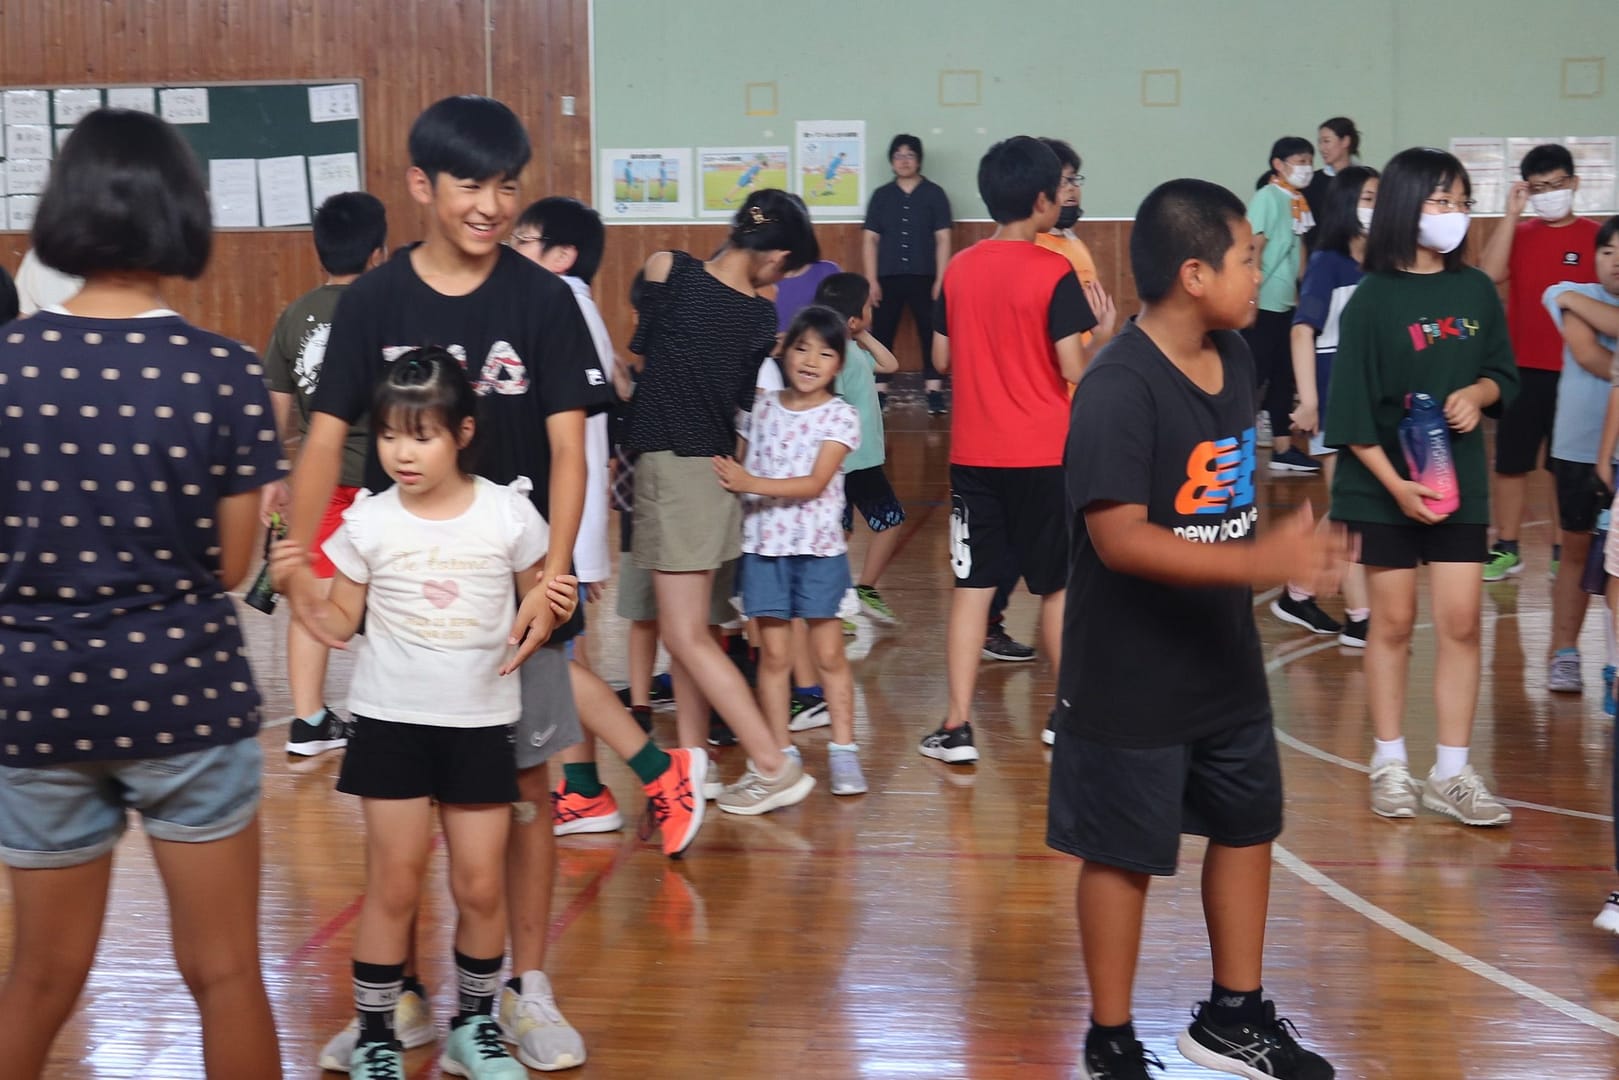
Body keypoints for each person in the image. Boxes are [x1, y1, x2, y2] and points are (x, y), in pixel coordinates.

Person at [279, 95, 649, 1074]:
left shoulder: (543, 301)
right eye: (469, 185)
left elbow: (569, 451)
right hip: (408, 600)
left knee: (524, 790)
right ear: (422, 185)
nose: (490, 205)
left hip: (518, 587)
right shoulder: (372, 303)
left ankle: (523, 990)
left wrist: (554, 578)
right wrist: (293, 557)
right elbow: (322, 437)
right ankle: (399, 997)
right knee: (399, 820)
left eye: (506, 186)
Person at [0, 107, 283, 1079]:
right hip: (184, 694)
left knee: (39, 979)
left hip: (37, 699)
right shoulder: (223, 373)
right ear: (182, 213)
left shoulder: (9, 366)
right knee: (225, 974)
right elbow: (233, 566)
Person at [1054, 175, 1342, 1080]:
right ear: (1192, 274)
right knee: (1122, 856)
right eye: (1248, 258)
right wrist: (1261, 563)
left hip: (1221, 659)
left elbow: (1224, 497)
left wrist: (1269, 548)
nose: (1260, 273)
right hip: (1128, 671)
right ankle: (1109, 1041)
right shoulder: (1117, 385)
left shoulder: (1238, 356)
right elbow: (1120, 539)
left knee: (1247, 825)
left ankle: (1233, 1017)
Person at [273, 349, 589, 1079]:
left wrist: (555, 600)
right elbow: (339, 622)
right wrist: (300, 590)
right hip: (390, 726)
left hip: (480, 725)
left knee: (479, 886)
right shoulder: (367, 521)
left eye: (421, 436)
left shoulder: (509, 513)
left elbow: (539, 599)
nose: (403, 453)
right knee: (394, 884)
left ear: (462, 433)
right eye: (389, 435)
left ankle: (472, 1030)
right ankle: (377, 1038)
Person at [1325, 147, 1519, 826]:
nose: (1454, 214)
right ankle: (1389, 762)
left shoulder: (1474, 291)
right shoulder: (1370, 300)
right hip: (1381, 487)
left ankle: (1451, 773)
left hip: (1456, 484)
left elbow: (1503, 373)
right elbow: (1349, 416)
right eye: (1441, 201)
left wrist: (1478, 392)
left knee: (1462, 622)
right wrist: (1397, 487)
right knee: (1394, 622)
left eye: (1463, 202)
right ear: (1406, 207)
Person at [510, 197, 710, 842]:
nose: (511, 249)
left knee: (546, 659)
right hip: (550, 523)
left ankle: (650, 772)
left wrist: (575, 548)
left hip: (550, 524)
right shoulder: (564, 304)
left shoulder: (560, 305)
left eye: (525, 240)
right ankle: (586, 788)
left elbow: (575, 445)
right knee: (551, 655)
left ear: (562, 255)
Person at [627, 188, 820, 814]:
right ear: (778, 256)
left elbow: (641, 354)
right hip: (715, 475)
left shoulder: (668, 269)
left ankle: (772, 763)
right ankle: (695, 762)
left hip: (673, 469)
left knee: (684, 634)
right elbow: (738, 399)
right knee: (697, 633)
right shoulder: (761, 316)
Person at [921, 136, 1096, 764]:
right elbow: (1072, 367)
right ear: (1045, 200)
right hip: (1047, 456)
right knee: (1056, 587)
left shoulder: (960, 269)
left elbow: (940, 357)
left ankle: (957, 726)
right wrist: (1098, 335)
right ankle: (1065, 716)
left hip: (975, 456)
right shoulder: (1054, 271)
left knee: (973, 588)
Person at [716, 305, 867, 794]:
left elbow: (815, 483)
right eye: (801, 348)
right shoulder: (758, 409)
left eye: (824, 353)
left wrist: (749, 482)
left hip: (819, 552)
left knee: (829, 654)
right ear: (783, 351)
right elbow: (734, 464)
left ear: (839, 364)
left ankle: (844, 750)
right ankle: (781, 754)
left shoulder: (841, 416)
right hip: (765, 549)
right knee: (775, 658)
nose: (810, 361)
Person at [260, 191, 389, 768]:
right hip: (387, 481)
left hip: (320, 484)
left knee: (311, 596)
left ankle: (309, 720)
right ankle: (395, 715)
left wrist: (275, 478)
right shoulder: (389, 306)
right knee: (392, 599)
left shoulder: (295, 315)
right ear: (378, 251)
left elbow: (276, 409)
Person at [986, 136, 1119, 680]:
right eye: (1065, 181)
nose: (1073, 190)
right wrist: (1101, 344)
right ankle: (1002, 621)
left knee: (1055, 532)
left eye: (1076, 180)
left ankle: (1061, 626)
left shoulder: (1073, 246)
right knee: (1036, 535)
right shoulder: (1036, 254)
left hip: (1071, 409)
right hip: (1043, 416)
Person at [1479, 143, 1602, 582]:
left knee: (1563, 466)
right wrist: (1511, 215)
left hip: (1579, 371)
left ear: (1574, 183)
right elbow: (1487, 275)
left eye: (1556, 184)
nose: (1549, 194)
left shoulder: (1598, 238)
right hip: (1521, 370)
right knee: (1510, 463)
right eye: (1539, 188)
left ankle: (1561, 549)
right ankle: (1507, 547)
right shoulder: (1520, 233)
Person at [1277, 166, 1380, 644]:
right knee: (1351, 506)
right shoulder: (1327, 263)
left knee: (1347, 505)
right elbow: (1302, 331)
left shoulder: (1383, 264)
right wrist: (1310, 400)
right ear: (1346, 205)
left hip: (1372, 401)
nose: (1378, 207)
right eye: (1370, 197)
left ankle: (1297, 593)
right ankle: (1361, 617)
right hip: (1335, 401)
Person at [1549, 219, 1619, 711]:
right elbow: (1590, 354)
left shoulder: (1575, 299)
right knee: (1574, 552)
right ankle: (1565, 652)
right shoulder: (1564, 290)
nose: (1616, 261)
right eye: (1608, 251)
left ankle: (1615, 664)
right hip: (1578, 449)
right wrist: (1575, 301)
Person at [813, 273, 903, 624]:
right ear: (852, 318)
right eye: (868, 307)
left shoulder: (848, 351)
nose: (872, 310)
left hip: (848, 463)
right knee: (889, 521)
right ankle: (864, 589)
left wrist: (860, 332)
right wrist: (857, 331)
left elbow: (890, 365)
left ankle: (832, 603)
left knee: (842, 531)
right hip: (855, 462)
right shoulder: (841, 356)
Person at [863, 135, 954, 413]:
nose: (904, 160)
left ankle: (934, 392)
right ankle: (879, 393)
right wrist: (871, 280)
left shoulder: (935, 194)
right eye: (898, 155)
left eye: (910, 155)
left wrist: (941, 279)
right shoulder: (881, 196)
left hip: (925, 276)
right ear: (892, 161)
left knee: (931, 333)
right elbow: (870, 239)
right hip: (887, 276)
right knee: (882, 332)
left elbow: (943, 238)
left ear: (919, 160)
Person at [1248, 136, 1319, 474]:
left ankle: (1282, 448)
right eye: (1300, 161)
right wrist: (1250, 296)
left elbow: (1298, 251)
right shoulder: (1267, 197)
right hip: (1262, 304)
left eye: (1309, 161)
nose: (1306, 167)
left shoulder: (1297, 201)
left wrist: (1303, 292)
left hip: (1286, 303)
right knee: (1253, 377)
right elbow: (1254, 246)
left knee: (1282, 378)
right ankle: (1235, 445)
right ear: (1278, 164)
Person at [1303, 117, 1362, 227]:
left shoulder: (1365, 180)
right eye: (1320, 142)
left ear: (1345, 141)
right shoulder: (1311, 181)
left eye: (1326, 141)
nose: (1322, 148)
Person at [12, 245, 83, 314]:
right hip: (50, 316)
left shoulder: (37, 253)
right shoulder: (36, 255)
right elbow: (23, 309)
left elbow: (23, 309)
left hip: (52, 316)